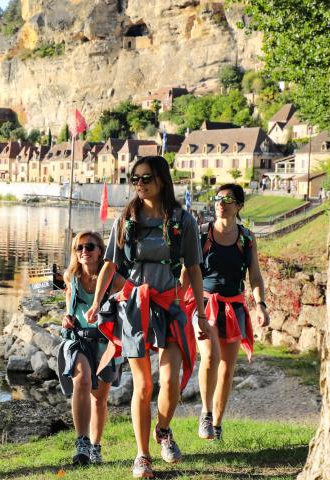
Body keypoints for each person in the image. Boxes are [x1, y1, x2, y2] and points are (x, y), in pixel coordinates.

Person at [86, 156, 209, 479]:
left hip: (169, 306)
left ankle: (164, 429)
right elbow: (110, 265)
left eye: (146, 178)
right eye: (134, 179)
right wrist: (97, 302)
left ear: (162, 180)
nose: (139, 185)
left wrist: (200, 312)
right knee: (143, 386)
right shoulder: (126, 219)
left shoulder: (183, 220)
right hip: (135, 308)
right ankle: (142, 457)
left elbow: (193, 268)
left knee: (169, 382)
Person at [183, 184, 270, 441]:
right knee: (209, 357)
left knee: (227, 368)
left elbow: (254, 276)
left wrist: (260, 305)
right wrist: (176, 300)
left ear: (239, 206)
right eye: (218, 198)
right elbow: (188, 272)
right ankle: (206, 413)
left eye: (228, 199)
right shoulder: (201, 235)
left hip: (234, 307)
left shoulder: (247, 238)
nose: (221, 202)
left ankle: (217, 425)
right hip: (205, 304)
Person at [57, 230, 125, 465]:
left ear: (100, 251)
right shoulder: (71, 276)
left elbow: (133, 297)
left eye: (90, 247)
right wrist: (67, 316)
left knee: (99, 398)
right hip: (78, 339)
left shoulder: (113, 279)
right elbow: (69, 299)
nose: (84, 252)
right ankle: (82, 443)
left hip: (106, 343)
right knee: (82, 381)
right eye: (79, 248)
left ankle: (96, 446)